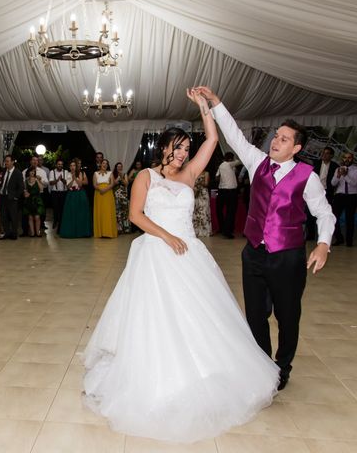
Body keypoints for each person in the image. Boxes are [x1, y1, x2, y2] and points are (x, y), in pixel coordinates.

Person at [83, 89, 279, 443]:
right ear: (164, 147)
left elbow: (214, 138)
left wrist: (205, 109)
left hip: (190, 255)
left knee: (202, 315)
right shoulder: (146, 176)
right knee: (158, 319)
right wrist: (166, 237)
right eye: (178, 148)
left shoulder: (189, 174)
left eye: (187, 149)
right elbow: (135, 215)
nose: (184, 154)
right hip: (157, 253)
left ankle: (206, 373)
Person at [198, 85, 335, 391]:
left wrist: (324, 243)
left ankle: (282, 366)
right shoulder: (256, 162)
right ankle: (262, 366)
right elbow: (234, 135)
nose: (276, 141)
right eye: (276, 136)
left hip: (288, 258)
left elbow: (324, 214)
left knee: (288, 316)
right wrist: (217, 102)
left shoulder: (307, 177)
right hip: (254, 255)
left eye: (284, 139)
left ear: (296, 148)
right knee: (256, 315)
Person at [306, 147, 339, 240]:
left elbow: (336, 181)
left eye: (327, 153)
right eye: (323, 153)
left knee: (325, 214)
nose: (324, 155)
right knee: (309, 214)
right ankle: (310, 235)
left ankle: (324, 236)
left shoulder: (335, 166)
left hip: (327, 192)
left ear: (331, 156)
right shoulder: (315, 163)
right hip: (314, 190)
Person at [331, 152, 357, 247]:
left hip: (351, 196)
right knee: (333, 218)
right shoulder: (338, 169)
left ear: (352, 159)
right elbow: (333, 183)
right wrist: (338, 175)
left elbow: (354, 183)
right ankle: (339, 238)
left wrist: (345, 175)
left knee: (350, 220)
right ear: (342, 158)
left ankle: (349, 241)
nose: (347, 159)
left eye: (349, 158)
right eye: (345, 157)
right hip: (339, 196)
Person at [59, 159, 91, 238]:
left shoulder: (81, 173)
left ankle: (82, 232)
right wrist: (72, 179)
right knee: (71, 213)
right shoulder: (67, 174)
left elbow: (80, 185)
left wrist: (75, 178)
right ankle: (71, 232)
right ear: (69, 167)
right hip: (71, 195)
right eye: (71, 166)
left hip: (80, 194)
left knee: (81, 213)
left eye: (74, 165)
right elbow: (68, 186)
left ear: (76, 167)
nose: (73, 167)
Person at [215, 151, 242, 238]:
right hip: (230, 191)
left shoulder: (221, 165)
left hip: (222, 191)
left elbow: (216, 177)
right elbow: (239, 161)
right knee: (231, 212)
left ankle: (223, 228)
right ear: (231, 159)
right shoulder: (229, 164)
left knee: (220, 211)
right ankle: (227, 231)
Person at [0, 155, 24, 240]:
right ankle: (7, 233)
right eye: (5, 161)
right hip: (3, 197)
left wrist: (16, 197)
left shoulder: (17, 173)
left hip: (12, 198)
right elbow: (2, 183)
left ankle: (14, 234)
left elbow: (21, 187)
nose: (6, 163)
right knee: (3, 216)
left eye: (7, 161)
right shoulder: (3, 171)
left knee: (13, 216)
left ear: (12, 162)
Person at [92, 159, 118, 238]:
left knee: (108, 212)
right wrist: (100, 189)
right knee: (100, 212)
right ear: (100, 164)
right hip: (99, 194)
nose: (105, 165)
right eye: (103, 163)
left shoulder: (110, 173)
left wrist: (105, 189)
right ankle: (100, 232)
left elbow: (112, 184)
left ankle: (108, 232)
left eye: (106, 164)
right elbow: (94, 184)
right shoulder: (95, 173)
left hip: (108, 194)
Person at [23, 166, 45, 237]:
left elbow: (41, 189)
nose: (32, 172)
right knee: (30, 217)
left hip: (37, 200)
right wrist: (25, 193)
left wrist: (37, 180)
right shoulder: (26, 181)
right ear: (28, 172)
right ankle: (32, 233)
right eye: (31, 171)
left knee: (37, 217)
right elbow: (24, 190)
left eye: (33, 171)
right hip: (29, 200)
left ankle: (37, 232)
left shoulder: (37, 179)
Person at [48, 159, 70, 230]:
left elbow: (67, 182)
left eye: (61, 164)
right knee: (55, 208)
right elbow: (51, 183)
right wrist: (57, 180)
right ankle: (55, 221)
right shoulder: (52, 172)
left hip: (64, 192)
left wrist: (62, 180)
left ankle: (61, 223)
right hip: (55, 192)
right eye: (59, 164)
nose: (60, 165)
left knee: (62, 209)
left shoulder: (66, 172)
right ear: (56, 165)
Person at [112, 162, 131, 234]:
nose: (119, 168)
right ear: (116, 167)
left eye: (120, 166)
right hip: (116, 195)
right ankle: (119, 229)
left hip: (123, 195)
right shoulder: (113, 175)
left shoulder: (125, 174)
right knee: (117, 212)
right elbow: (113, 184)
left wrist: (121, 177)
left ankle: (126, 229)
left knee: (125, 212)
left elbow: (126, 183)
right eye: (118, 166)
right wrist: (118, 177)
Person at [193, 170, 212, 237]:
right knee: (196, 211)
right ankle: (197, 231)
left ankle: (205, 231)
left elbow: (206, 184)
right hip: (195, 193)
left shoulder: (206, 173)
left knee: (204, 211)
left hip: (203, 193)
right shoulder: (194, 172)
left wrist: (198, 183)